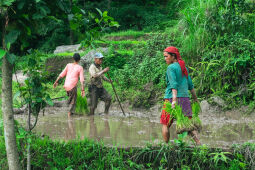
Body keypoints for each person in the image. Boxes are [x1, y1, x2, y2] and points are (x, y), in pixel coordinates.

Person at [160, 46, 201, 145]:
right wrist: (195, 99)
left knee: (165, 124)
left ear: (173, 56)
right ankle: (199, 145)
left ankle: (166, 146)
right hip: (185, 99)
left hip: (171, 98)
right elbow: (190, 85)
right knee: (188, 125)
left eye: (166, 56)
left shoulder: (170, 68)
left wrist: (174, 99)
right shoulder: (184, 67)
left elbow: (173, 84)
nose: (165, 59)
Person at [53, 53, 85, 117]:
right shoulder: (80, 67)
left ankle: (70, 111)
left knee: (71, 98)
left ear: (73, 59)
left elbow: (61, 74)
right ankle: (69, 115)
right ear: (79, 60)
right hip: (72, 86)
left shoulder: (68, 65)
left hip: (66, 86)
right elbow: (82, 80)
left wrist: (56, 81)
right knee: (73, 100)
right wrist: (83, 90)